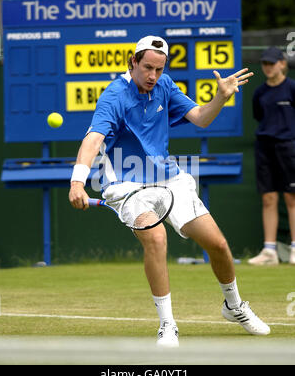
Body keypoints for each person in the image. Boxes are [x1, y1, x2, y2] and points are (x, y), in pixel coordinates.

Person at [69, 36, 270, 347]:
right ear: (132, 62)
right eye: (147, 67)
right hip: (127, 185)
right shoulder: (114, 96)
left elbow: (201, 119)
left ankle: (234, 306)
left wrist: (221, 97)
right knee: (157, 238)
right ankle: (167, 324)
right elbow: (93, 140)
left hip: (169, 180)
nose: (153, 75)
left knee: (217, 244)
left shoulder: (164, 86)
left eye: (159, 69)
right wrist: (77, 181)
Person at [248, 46, 295, 266]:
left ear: (282, 64)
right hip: (264, 147)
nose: (267, 67)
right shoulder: (259, 93)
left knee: (291, 197)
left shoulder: (292, 88)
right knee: (268, 198)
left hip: (289, 147)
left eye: (271, 63)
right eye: (264, 63)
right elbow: (259, 116)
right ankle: (269, 251)